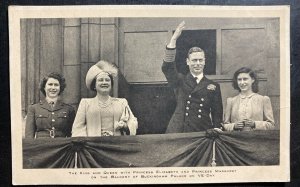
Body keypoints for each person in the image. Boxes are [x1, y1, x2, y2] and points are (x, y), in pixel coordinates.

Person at [162, 21, 223, 133]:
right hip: (179, 130)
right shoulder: (180, 80)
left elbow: (217, 113)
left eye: (200, 60)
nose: (197, 63)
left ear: (204, 62)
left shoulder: (213, 86)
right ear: (187, 62)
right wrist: (173, 40)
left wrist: (216, 130)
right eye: (194, 60)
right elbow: (167, 68)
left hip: (202, 130)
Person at [71, 60, 138, 137]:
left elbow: (133, 122)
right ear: (94, 85)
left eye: (107, 80)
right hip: (93, 146)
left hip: (116, 145)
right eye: (100, 80)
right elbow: (78, 128)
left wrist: (124, 126)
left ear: (111, 84)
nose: (104, 83)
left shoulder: (121, 103)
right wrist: (85, 144)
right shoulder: (85, 103)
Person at [223, 67, 275, 131]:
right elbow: (225, 125)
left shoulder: (263, 99)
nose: (242, 82)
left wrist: (255, 124)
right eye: (239, 79)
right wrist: (234, 126)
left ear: (252, 80)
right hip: (236, 139)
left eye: (245, 79)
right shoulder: (231, 101)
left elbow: (271, 125)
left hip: (256, 139)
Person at [25, 72, 75, 138]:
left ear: (60, 88)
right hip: (41, 146)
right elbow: (29, 136)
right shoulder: (34, 108)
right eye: (50, 84)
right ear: (44, 87)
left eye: (56, 85)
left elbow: (71, 135)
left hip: (61, 147)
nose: (53, 88)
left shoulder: (69, 109)